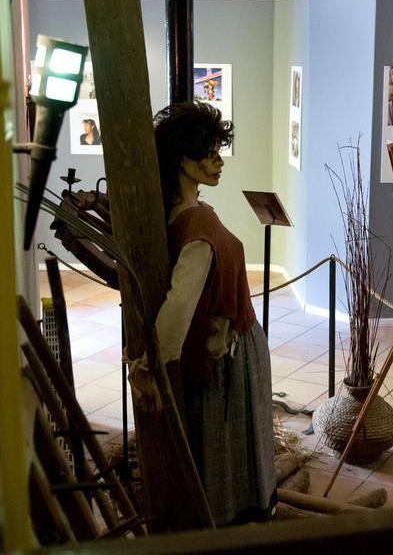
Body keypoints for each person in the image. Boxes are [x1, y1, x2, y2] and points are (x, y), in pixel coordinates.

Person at [150, 100, 277, 524]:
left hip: (234, 347)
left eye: (217, 150)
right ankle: (229, 524)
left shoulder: (192, 213)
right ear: (180, 161)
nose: (217, 161)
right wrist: (153, 369)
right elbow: (178, 308)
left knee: (233, 446)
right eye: (207, 153)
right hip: (226, 358)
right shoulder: (196, 228)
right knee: (229, 448)